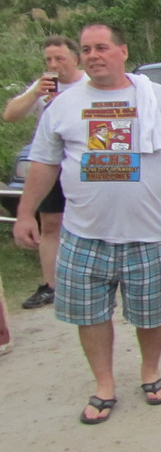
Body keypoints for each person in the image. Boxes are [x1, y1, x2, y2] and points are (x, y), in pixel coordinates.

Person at [13, 23, 161, 424]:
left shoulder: (158, 97)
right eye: (86, 49)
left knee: (152, 313)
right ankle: (104, 384)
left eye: (101, 47)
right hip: (84, 235)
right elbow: (44, 164)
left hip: (149, 232)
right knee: (90, 315)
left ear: (123, 51)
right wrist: (25, 213)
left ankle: (150, 372)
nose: (93, 55)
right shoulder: (62, 105)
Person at [2, 36, 90, 309]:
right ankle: (51, 285)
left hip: (85, 164)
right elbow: (10, 115)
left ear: (75, 59)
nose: (53, 65)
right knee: (50, 223)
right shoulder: (43, 86)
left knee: (89, 221)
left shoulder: (89, 83)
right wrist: (34, 94)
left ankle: (91, 279)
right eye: (49, 59)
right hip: (51, 165)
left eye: (59, 59)